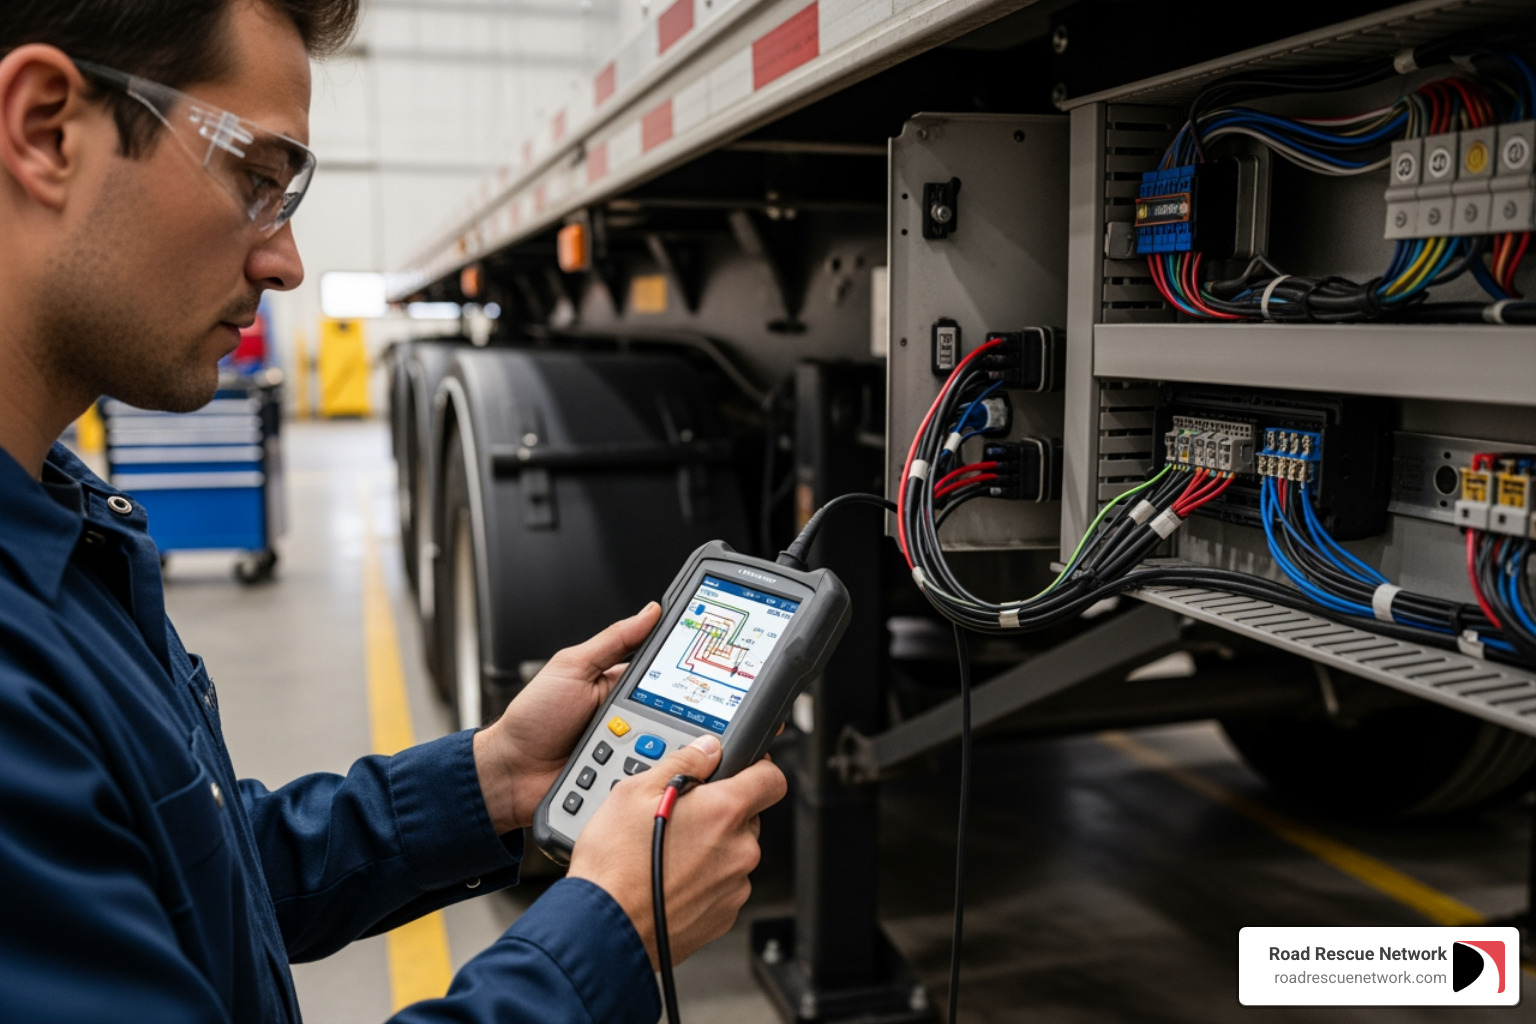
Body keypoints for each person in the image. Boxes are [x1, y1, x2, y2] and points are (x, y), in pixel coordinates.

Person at [0, 2, 787, 1021]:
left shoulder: (62, 528)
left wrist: (490, 781)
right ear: (46, 130)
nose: (284, 262)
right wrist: (610, 935)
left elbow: (185, 872)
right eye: (254, 181)